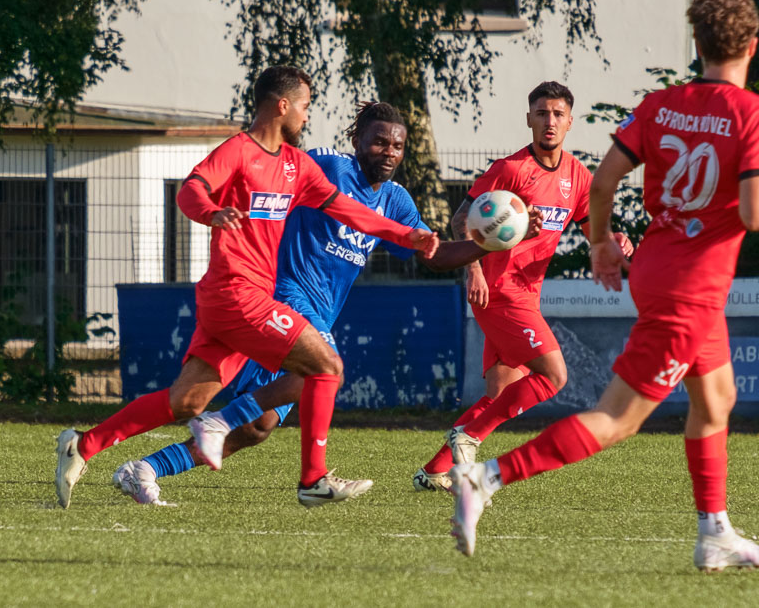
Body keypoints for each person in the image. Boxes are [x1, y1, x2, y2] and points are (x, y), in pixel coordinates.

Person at [447, 0, 759, 572]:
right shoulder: (756, 115)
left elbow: (601, 184)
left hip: (657, 270)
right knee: (617, 419)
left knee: (717, 398)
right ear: (752, 46)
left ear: (697, 42)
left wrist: (601, 243)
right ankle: (487, 477)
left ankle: (715, 532)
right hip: (692, 288)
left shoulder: (662, 106)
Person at [111, 102, 541, 508]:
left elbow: (437, 257)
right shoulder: (329, 167)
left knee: (257, 428)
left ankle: (146, 466)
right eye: (379, 142)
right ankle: (280, 461)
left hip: (317, 308)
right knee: (324, 368)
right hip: (281, 296)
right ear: (357, 140)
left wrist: (488, 242)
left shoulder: (395, 200)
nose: (389, 152)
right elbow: (275, 176)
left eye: (397, 145)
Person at [54, 69, 438, 509]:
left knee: (186, 403)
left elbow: (349, 211)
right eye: (306, 105)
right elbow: (191, 191)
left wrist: (406, 236)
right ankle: (311, 478)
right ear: (282, 106)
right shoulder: (239, 150)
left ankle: (83, 445)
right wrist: (211, 212)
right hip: (239, 293)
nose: (307, 114)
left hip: (240, 303)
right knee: (326, 367)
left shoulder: (297, 165)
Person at [412, 81, 633, 493]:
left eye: (557, 114)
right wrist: (473, 268)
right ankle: (468, 438)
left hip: (526, 294)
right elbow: (463, 219)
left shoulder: (577, 177)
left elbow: (594, 234)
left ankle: (434, 470)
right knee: (554, 375)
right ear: (529, 119)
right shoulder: (510, 170)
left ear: (569, 122)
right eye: (541, 113)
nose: (549, 121)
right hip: (498, 291)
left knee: (501, 395)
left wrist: (614, 243)